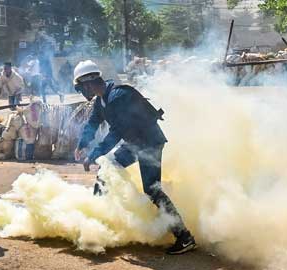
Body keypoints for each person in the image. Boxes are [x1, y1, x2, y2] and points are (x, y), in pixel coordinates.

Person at [72, 60, 197, 255]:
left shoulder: (118, 97)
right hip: (134, 143)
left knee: (152, 190)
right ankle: (95, 223)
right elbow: (92, 123)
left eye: (81, 88)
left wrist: (93, 155)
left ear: (88, 83)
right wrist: (81, 145)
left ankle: (184, 237)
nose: (82, 93)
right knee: (106, 169)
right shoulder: (102, 101)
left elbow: (115, 133)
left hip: (149, 143)